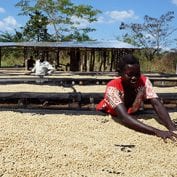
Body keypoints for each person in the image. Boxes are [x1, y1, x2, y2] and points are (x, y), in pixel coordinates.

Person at [96, 54, 177, 141]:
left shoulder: (144, 81)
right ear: (120, 73)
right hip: (111, 112)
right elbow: (123, 117)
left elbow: (156, 102)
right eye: (129, 74)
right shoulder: (112, 87)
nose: (134, 78)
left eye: (137, 74)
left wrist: (171, 127)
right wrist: (156, 131)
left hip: (132, 111)